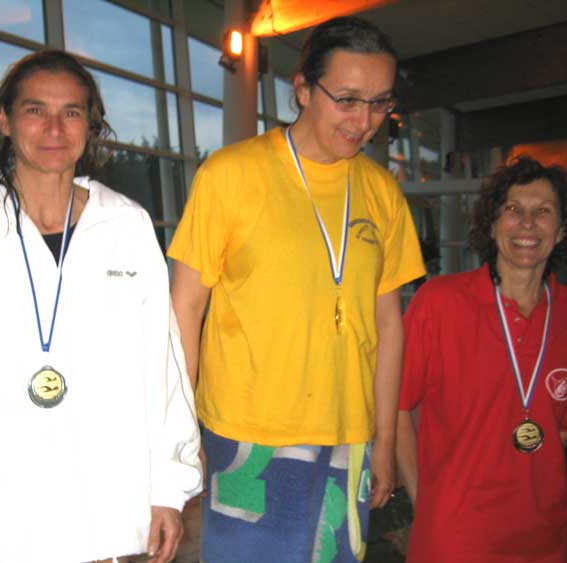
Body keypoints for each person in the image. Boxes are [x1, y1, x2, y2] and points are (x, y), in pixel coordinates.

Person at [0, 50, 202, 563]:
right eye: (35, 110)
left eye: (71, 112)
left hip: (109, 521)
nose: (54, 128)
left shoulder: (125, 226)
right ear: (4, 120)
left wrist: (169, 487)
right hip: (0, 527)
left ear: (90, 125)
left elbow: (163, 371)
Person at [168, 16, 425, 563]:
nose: (364, 121)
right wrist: (182, 433)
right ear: (303, 89)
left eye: (379, 103)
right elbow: (185, 308)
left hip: (348, 432)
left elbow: (387, 326)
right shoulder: (230, 175)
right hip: (248, 432)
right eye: (348, 100)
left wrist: (383, 439)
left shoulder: (382, 192)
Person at [396, 156, 567, 563]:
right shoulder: (438, 303)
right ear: (492, 225)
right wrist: (424, 500)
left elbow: (565, 426)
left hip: (542, 534)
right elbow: (397, 407)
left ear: (562, 230)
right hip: (452, 536)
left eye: (543, 211)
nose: (527, 224)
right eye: (513, 209)